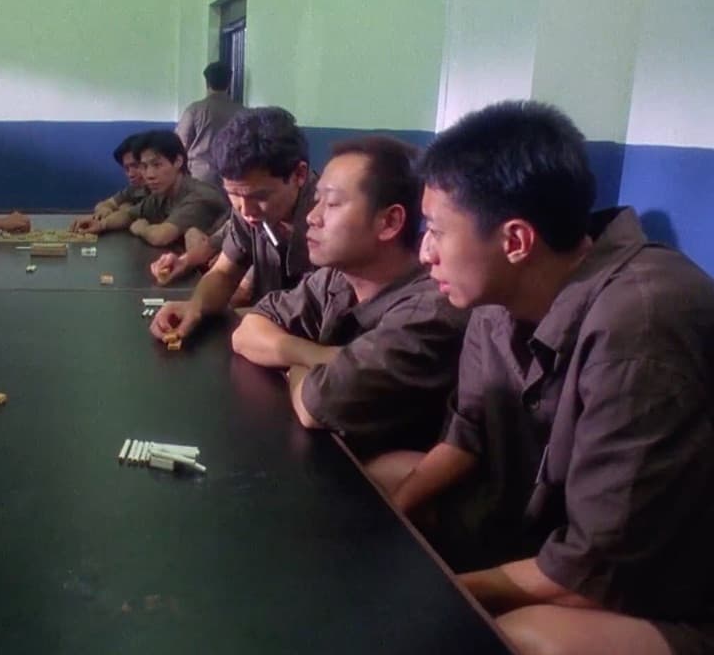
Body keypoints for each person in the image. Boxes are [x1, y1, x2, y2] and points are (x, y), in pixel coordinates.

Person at [381, 101, 714, 655]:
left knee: (525, 637)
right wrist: (394, 514)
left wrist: (435, 594)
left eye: (436, 231)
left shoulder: (641, 326)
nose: (424, 253)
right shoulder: (500, 295)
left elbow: (600, 566)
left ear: (515, 241)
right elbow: (467, 433)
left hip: (661, 594)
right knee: (387, 475)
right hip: (546, 537)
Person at [214, 135, 467, 456]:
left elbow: (315, 405)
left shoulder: (430, 312)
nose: (312, 216)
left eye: (332, 204)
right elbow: (248, 330)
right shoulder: (340, 277)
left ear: (389, 222)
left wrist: (293, 365)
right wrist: (317, 356)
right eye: (316, 200)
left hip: (377, 480)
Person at [145, 108, 314, 305]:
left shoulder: (329, 222)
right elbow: (224, 273)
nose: (246, 211)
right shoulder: (247, 206)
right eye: (233, 194)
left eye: (260, 196)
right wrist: (194, 307)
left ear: (299, 175)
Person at [76, 130, 229, 248]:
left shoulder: (200, 196)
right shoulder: (162, 193)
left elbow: (161, 236)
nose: (149, 175)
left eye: (157, 165)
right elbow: (128, 215)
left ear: (178, 161)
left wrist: (142, 228)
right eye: (144, 166)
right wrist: (101, 225)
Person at [176, 61, 245, 185]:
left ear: (207, 83)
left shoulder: (195, 109)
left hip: (200, 175)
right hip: (232, 175)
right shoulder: (242, 112)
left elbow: (181, 143)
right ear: (229, 83)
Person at [69, 133, 147, 232]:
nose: (130, 174)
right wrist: (104, 211)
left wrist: (124, 210)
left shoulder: (160, 193)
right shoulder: (135, 189)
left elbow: (129, 215)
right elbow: (106, 205)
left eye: (136, 166)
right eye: (126, 168)